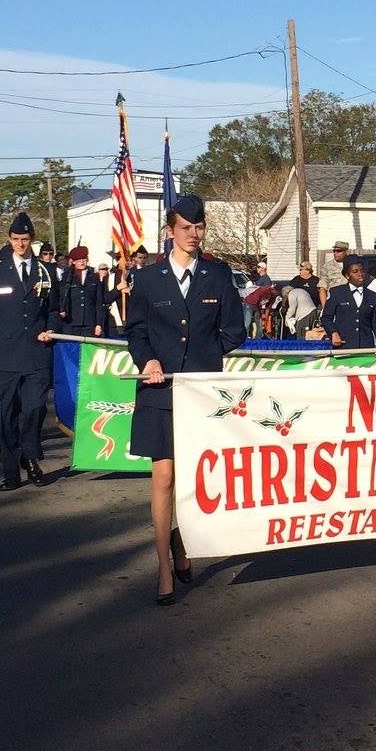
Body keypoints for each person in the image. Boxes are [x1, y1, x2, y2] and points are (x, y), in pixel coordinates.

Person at [126, 194, 246, 606]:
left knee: (197, 480)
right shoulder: (147, 279)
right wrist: (149, 359)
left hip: (200, 392)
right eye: (185, 228)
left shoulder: (217, 274)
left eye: (199, 227)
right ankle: (163, 565)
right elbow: (136, 332)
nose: (193, 235)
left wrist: (206, 357)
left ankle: (180, 539)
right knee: (163, 477)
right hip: (159, 389)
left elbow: (234, 331)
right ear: (169, 231)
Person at [0, 214, 56, 491]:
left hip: (37, 353)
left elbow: (55, 310)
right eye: (16, 239)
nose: (21, 244)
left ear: (32, 240)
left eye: (25, 239)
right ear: (10, 240)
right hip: (5, 355)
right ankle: (11, 470)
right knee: (5, 413)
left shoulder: (46, 272)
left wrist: (51, 329)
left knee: (34, 409)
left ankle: (30, 458)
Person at [321, 254, 376, 349]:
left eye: (362, 271)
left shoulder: (372, 295)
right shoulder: (336, 293)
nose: (360, 274)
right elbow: (326, 317)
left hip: (365, 347)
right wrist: (333, 333)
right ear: (347, 275)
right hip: (343, 345)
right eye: (355, 272)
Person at [59, 245, 104, 337]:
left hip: (89, 322)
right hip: (71, 322)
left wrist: (99, 323)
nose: (82, 262)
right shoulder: (67, 276)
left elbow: (98, 302)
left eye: (84, 259)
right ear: (74, 262)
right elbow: (61, 296)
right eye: (79, 260)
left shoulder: (94, 276)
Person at [318, 241, 350, 305]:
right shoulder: (327, 267)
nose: (335, 253)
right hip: (334, 302)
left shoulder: (353, 265)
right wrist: (325, 308)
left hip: (350, 303)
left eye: (338, 251)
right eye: (334, 251)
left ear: (346, 251)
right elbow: (322, 288)